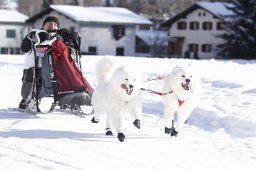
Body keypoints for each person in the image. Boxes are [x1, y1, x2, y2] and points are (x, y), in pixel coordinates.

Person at [18, 16, 60, 109]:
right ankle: (27, 99)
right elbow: (24, 49)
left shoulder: (59, 39)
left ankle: (69, 97)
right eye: (49, 23)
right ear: (43, 25)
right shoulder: (34, 34)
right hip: (33, 68)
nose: (52, 26)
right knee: (32, 73)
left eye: (55, 24)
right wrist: (29, 38)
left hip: (52, 69)